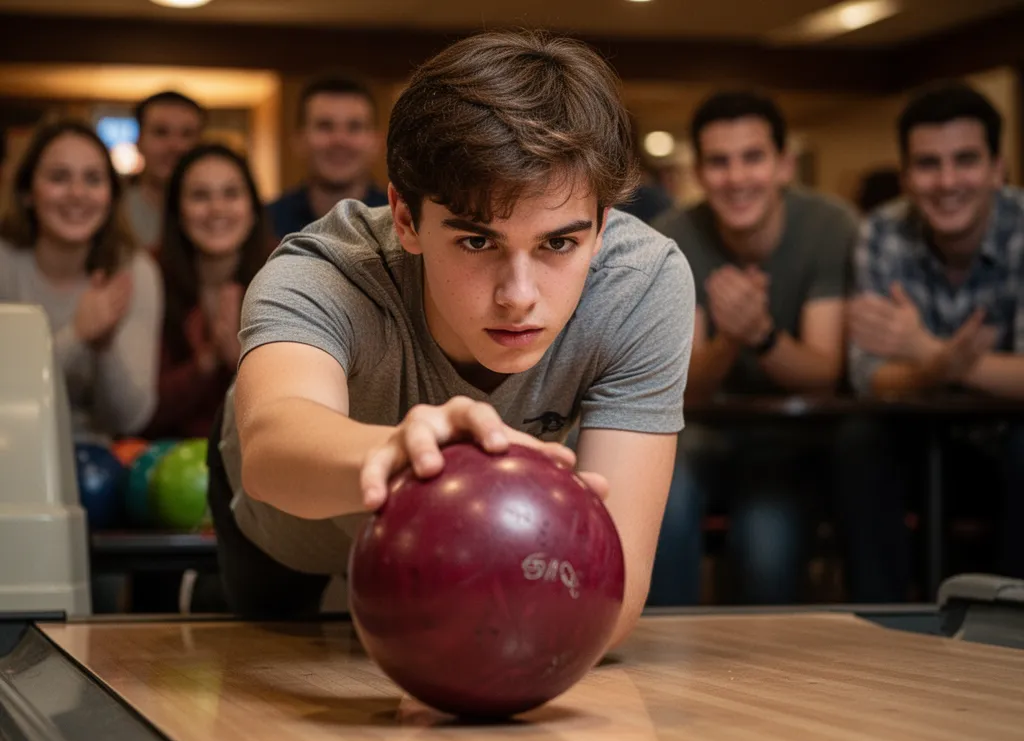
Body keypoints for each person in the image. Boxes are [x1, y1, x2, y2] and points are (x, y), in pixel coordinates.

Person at [206, 30, 695, 650]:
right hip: (288, 528)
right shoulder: (323, 270)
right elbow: (273, 450)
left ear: (601, 227)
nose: (519, 295)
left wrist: (490, 670)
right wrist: (406, 453)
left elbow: (611, 582)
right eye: (477, 241)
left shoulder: (642, 283)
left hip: (475, 537)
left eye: (558, 244)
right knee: (263, 651)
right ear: (406, 219)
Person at [651, 91, 857, 605]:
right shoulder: (674, 237)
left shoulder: (831, 226)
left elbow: (824, 373)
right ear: (698, 170)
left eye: (753, 157)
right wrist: (729, 342)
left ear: (785, 165)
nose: (737, 178)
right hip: (697, 434)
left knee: (769, 541)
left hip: (792, 436)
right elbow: (683, 391)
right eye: (719, 162)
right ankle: (652, 659)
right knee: (664, 502)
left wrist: (760, 335)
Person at [841, 81, 1024, 602]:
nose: (947, 181)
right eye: (927, 164)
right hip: (912, 435)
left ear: (998, 168)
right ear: (905, 176)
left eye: (965, 160)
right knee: (858, 440)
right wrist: (947, 364)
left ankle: (1011, 630)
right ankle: (880, 625)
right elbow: (868, 377)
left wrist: (928, 356)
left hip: (1009, 438)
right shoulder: (883, 231)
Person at [0, 119, 162, 439]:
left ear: (111, 196)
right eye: (59, 177)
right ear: (27, 192)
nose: (77, 194)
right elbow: (8, 395)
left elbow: (131, 419)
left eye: (93, 179)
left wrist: (104, 349)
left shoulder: (135, 271)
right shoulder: (5, 262)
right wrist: (77, 336)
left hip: (101, 460)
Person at [144, 144, 270, 440]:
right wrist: (206, 362)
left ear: (252, 209)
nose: (217, 209)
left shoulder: (286, 270)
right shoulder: (150, 275)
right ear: (177, 212)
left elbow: (299, 407)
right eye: (200, 196)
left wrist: (240, 361)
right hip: (167, 454)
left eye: (231, 194)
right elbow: (139, 411)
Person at [266, 75, 387, 240]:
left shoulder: (403, 222)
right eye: (325, 126)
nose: (339, 140)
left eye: (354, 127)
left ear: (376, 142)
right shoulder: (266, 225)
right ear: (299, 140)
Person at [122, 91, 206, 251]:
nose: (175, 146)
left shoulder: (223, 213)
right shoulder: (112, 211)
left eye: (187, 134)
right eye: (161, 132)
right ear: (139, 141)